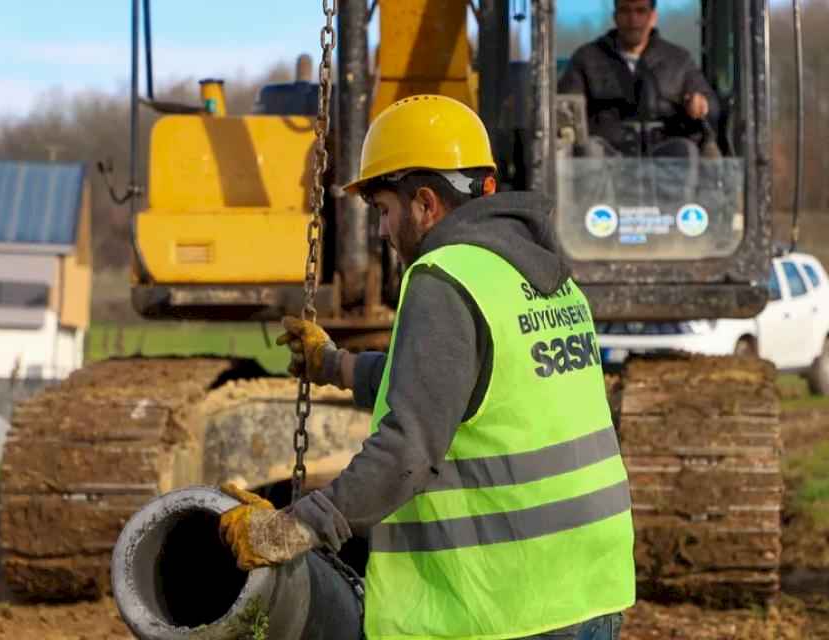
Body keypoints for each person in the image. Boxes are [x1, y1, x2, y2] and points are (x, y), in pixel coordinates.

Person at [218, 94, 635, 640]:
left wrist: (292, 528)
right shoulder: (540, 274)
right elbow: (471, 384)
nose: (385, 233)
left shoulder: (444, 275)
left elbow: (406, 454)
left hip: (505, 605)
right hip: (588, 588)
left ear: (424, 204)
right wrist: (337, 366)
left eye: (385, 211)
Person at [558, 0, 720, 159]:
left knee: (685, 150)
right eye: (625, 11)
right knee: (589, 151)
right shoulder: (587, 59)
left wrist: (701, 104)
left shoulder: (679, 61)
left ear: (653, 17)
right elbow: (566, 108)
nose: (633, 19)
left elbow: (711, 106)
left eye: (640, 11)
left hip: (665, 160)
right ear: (615, 16)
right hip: (607, 160)